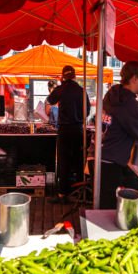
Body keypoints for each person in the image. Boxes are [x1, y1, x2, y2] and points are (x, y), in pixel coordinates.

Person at [100, 61, 138, 209]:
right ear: (134, 79)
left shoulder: (113, 94)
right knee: (108, 210)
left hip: (101, 156)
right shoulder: (130, 105)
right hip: (112, 162)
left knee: (105, 203)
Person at [47, 66, 89, 202]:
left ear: (63, 76)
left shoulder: (61, 89)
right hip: (78, 130)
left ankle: (62, 194)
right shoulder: (82, 91)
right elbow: (87, 111)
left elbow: (50, 100)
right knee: (78, 161)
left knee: (63, 162)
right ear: (75, 76)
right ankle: (79, 193)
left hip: (64, 130)